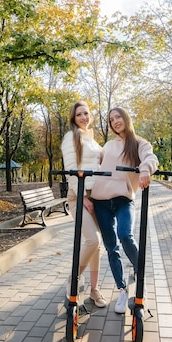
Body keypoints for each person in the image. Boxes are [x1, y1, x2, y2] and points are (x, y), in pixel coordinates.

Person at [90, 107, 159, 314]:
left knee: (125, 235)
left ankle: (139, 273)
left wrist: (145, 170)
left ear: (126, 118)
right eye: (111, 119)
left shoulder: (139, 143)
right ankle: (121, 289)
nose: (115, 121)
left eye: (118, 117)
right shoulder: (108, 145)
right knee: (112, 248)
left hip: (123, 200)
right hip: (101, 201)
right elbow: (95, 163)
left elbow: (151, 158)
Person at [60, 101, 107, 308]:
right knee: (92, 241)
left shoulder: (92, 140)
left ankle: (94, 290)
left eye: (86, 113)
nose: (84, 117)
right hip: (78, 196)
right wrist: (83, 198)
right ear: (73, 117)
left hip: (96, 196)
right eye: (79, 114)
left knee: (98, 246)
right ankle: (74, 278)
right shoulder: (71, 137)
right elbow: (72, 171)